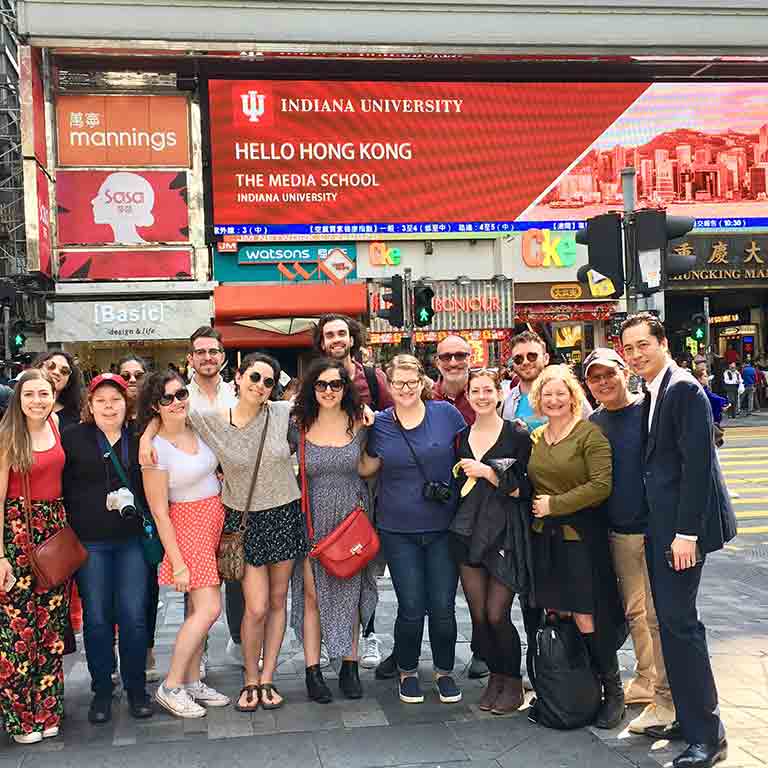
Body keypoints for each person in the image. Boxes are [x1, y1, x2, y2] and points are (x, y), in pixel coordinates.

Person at [142, 353, 306, 712]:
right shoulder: (211, 420)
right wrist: (146, 438)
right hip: (242, 521)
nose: (260, 386)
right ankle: (249, 677)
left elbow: (331, 409)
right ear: (239, 377)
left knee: (278, 602)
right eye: (254, 377)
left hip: (284, 514)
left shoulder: (281, 414)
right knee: (257, 606)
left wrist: (368, 417)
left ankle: (267, 679)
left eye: (268, 381)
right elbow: (168, 416)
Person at [621, 314, 736, 768]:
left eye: (643, 345)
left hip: (681, 531)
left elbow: (697, 467)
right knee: (670, 624)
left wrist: (686, 533)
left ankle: (708, 734)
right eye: (629, 348)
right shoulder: (655, 387)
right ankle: (689, 718)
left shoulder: (683, 388)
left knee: (681, 626)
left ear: (663, 342)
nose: (635, 355)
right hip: (662, 526)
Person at [360, 354, 465, 705]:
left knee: (443, 606)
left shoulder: (446, 415)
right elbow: (365, 467)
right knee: (410, 605)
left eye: (411, 381)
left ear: (423, 381)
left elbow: (472, 449)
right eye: (398, 383)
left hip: (442, 526)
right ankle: (406, 670)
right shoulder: (380, 423)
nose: (405, 389)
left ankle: (444, 670)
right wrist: (356, 428)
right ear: (389, 386)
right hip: (397, 528)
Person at [527, 364, 626, 729]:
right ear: (538, 399)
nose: (554, 400)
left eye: (560, 393)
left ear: (573, 396)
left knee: (586, 615)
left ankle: (612, 690)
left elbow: (601, 486)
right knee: (558, 613)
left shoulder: (590, 435)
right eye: (547, 394)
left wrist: (556, 505)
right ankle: (576, 688)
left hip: (581, 539)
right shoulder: (536, 437)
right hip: (546, 540)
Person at [584, 349, 675, 735]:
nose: (603, 382)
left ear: (624, 373)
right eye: (595, 378)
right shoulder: (594, 422)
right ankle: (645, 678)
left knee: (659, 616)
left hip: (656, 530)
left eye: (609, 374)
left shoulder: (650, 410)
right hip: (619, 531)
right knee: (635, 612)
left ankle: (666, 693)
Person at [62, 373, 153, 724]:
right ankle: (101, 690)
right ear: (89, 405)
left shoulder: (139, 437)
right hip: (91, 542)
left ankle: (136, 689)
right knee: (97, 619)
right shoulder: (73, 438)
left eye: (115, 399)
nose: (109, 406)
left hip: (131, 542)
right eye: (101, 400)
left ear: (126, 404)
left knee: (133, 616)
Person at [139, 370, 230, 718]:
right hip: (186, 526)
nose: (176, 402)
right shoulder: (154, 450)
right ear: (154, 405)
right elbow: (160, 512)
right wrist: (176, 562)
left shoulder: (197, 426)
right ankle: (172, 685)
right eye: (167, 398)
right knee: (209, 609)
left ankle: (191, 680)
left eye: (180, 394)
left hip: (213, 523)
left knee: (197, 610)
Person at [289, 358, 377, 703]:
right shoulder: (298, 425)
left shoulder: (360, 422)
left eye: (335, 385)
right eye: (321, 384)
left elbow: (367, 464)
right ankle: (313, 671)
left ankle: (349, 666)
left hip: (351, 518)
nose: (328, 391)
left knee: (351, 592)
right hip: (312, 519)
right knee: (312, 596)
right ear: (312, 388)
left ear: (345, 388)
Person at [449, 369, 534, 714]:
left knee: (498, 614)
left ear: (498, 395)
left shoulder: (517, 433)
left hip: (504, 534)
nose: (482, 396)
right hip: (468, 532)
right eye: (475, 391)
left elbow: (527, 487)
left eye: (488, 390)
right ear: (467, 396)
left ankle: (513, 682)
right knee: (479, 616)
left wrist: (489, 472)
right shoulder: (460, 437)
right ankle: (496, 678)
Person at [314, 313, 392, 670]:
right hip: (332, 480)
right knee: (331, 562)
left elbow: (394, 418)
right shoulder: (315, 379)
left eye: (342, 333)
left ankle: (368, 633)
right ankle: (335, 640)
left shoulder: (372, 377)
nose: (336, 339)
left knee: (365, 561)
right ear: (321, 341)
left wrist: (374, 419)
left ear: (352, 338)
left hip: (370, 480)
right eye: (329, 334)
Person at [0, 370, 69, 744]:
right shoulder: (7, 436)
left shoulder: (56, 424)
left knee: (50, 628)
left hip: (54, 534)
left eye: (43, 393)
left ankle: (47, 709)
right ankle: (21, 717)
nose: (38, 401)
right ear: (18, 398)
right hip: (17, 533)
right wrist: (0, 557)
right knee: (17, 631)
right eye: (29, 395)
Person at [185, 327, 241, 671]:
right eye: (200, 351)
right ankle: (198, 650)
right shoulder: (180, 396)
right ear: (190, 358)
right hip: (194, 497)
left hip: (235, 495)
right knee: (197, 579)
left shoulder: (238, 393)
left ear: (222, 356)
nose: (207, 357)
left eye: (213, 351)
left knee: (236, 572)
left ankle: (239, 640)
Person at [117, 354, 160, 682]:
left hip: (147, 516)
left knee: (147, 587)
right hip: (109, 518)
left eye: (137, 374)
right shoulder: (107, 417)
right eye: (125, 375)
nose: (132, 380)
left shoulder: (152, 421)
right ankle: (119, 648)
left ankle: (146, 648)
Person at [502, 331, 592, 429]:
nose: (525, 362)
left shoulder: (570, 394)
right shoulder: (507, 402)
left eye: (532, 356)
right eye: (518, 359)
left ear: (546, 358)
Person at [33, 351, 84, 431]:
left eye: (64, 371)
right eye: (51, 365)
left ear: (68, 381)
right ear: (38, 367)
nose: (56, 372)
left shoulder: (77, 417)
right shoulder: (19, 406)